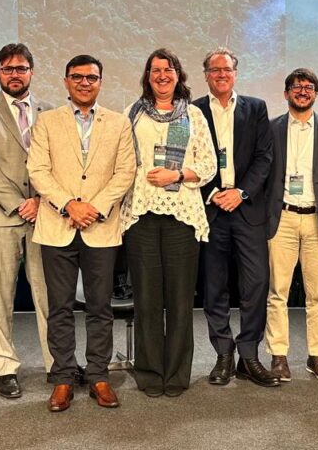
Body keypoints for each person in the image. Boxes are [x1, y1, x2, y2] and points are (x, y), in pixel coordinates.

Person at [27, 55, 137, 412]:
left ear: (100, 81)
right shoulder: (46, 121)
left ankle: (99, 377)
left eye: (92, 77)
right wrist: (68, 205)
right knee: (58, 308)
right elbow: (38, 170)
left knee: (100, 308)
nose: (85, 82)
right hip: (57, 226)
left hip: (101, 228)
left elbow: (125, 172)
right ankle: (62, 379)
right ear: (65, 81)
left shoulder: (119, 123)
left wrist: (95, 207)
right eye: (77, 77)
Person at [121, 48, 216, 397]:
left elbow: (208, 166)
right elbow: (120, 160)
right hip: (141, 215)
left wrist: (176, 173)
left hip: (182, 216)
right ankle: (148, 372)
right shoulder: (132, 114)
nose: (162, 75)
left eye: (168, 69)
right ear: (147, 76)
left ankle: (176, 374)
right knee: (146, 299)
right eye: (155, 70)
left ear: (179, 75)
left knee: (178, 300)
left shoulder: (192, 116)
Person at [0, 43, 55, 398]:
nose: (14, 74)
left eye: (20, 68)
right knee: (0, 296)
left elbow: (58, 162)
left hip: (45, 216)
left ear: (31, 71)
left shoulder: (50, 111)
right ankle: (5, 366)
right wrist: (21, 204)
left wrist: (40, 201)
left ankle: (56, 362)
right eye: (7, 69)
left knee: (48, 294)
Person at [192, 47, 276, 388]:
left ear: (236, 73)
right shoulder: (194, 110)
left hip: (247, 209)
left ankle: (250, 355)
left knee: (256, 285)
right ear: (207, 75)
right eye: (214, 70)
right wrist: (213, 192)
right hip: (211, 209)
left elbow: (264, 158)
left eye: (226, 69)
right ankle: (223, 355)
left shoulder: (256, 108)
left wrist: (240, 192)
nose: (221, 74)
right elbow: (190, 156)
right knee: (215, 287)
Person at [264, 68, 318, 383]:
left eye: (309, 87)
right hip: (281, 218)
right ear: (286, 93)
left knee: (317, 294)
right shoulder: (270, 129)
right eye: (296, 87)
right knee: (278, 292)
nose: (302, 91)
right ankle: (279, 357)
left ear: (315, 93)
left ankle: (316, 356)